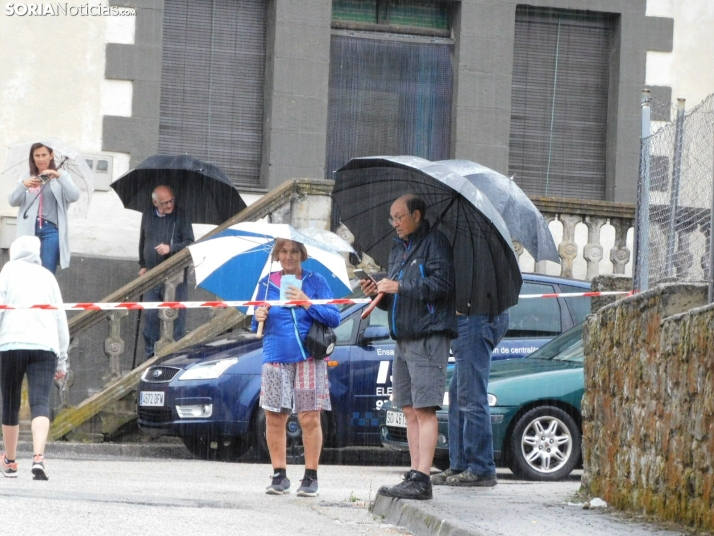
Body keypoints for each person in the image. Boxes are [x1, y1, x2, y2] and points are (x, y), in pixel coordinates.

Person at [360, 194, 457, 500]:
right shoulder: (398, 250)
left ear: (417, 215)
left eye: (399, 217)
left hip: (428, 336)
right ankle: (414, 472)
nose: (395, 224)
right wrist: (378, 292)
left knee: (425, 409)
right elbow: (396, 300)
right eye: (392, 218)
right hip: (402, 337)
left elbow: (442, 286)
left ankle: (423, 477)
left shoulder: (436, 243)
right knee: (408, 408)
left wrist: (400, 286)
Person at [252, 239, 340, 497]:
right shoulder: (266, 283)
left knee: (310, 417)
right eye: (283, 251)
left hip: (309, 356)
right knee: (274, 417)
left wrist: (306, 302)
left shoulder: (316, 281)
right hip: (276, 354)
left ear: (302, 254)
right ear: (277, 255)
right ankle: (279, 475)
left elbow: (334, 317)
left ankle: (310, 477)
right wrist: (257, 317)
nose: (288, 256)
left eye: (293, 251)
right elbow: (253, 323)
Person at [0, 235, 69, 480]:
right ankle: (38, 457)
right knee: (40, 401)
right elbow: (60, 318)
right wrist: (62, 359)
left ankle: (9, 461)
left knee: (10, 402)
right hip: (45, 345)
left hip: (11, 344)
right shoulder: (47, 276)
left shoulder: (7, 271)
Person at [138, 185, 194, 358]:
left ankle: (174, 359)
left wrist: (171, 248)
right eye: (165, 203)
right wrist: (143, 264)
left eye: (171, 201)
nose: (169, 205)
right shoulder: (147, 214)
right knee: (150, 319)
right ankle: (150, 358)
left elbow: (190, 243)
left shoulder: (181, 216)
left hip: (175, 278)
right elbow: (143, 240)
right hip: (152, 276)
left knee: (176, 321)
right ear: (155, 203)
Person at [8, 142, 81, 273]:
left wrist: (59, 177)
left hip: (50, 230)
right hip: (29, 229)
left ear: (51, 156)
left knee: (47, 272)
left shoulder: (61, 176)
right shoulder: (27, 176)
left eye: (44, 155)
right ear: (33, 158)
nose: (41, 159)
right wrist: (23, 185)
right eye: (37, 155)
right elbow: (12, 201)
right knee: (26, 272)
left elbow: (74, 196)